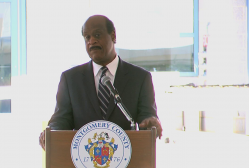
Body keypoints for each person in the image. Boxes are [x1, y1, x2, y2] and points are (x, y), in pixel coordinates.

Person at [39, 15, 162, 150]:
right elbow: (61, 119)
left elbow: (147, 117)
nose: (91, 41)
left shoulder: (140, 78)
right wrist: (51, 132)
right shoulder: (70, 79)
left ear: (113, 36)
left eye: (97, 35)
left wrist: (151, 123)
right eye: (87, 37)